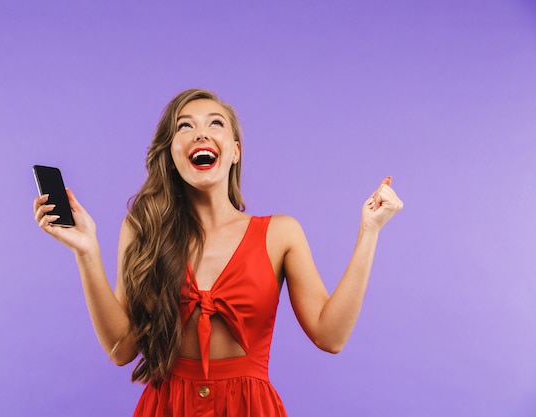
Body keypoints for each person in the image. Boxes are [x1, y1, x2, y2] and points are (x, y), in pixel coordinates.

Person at [33, 88, 403, 416]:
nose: (201, 133)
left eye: (215, 123)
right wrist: (87, 252)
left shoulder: (281, 233)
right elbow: (121, 349)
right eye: (185, 127)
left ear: (235, 151)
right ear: (172, 153)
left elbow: (331, 336)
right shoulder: (142, 229)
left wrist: (369, 232)